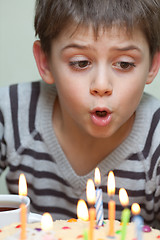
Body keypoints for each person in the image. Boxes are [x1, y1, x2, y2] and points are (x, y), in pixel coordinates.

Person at [0, 0, 160, 228]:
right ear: (45, 61)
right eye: (80, 63)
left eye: (124, 64)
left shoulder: (156, 142)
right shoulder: (11, 112)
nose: (102, 85)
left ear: (153, 65)